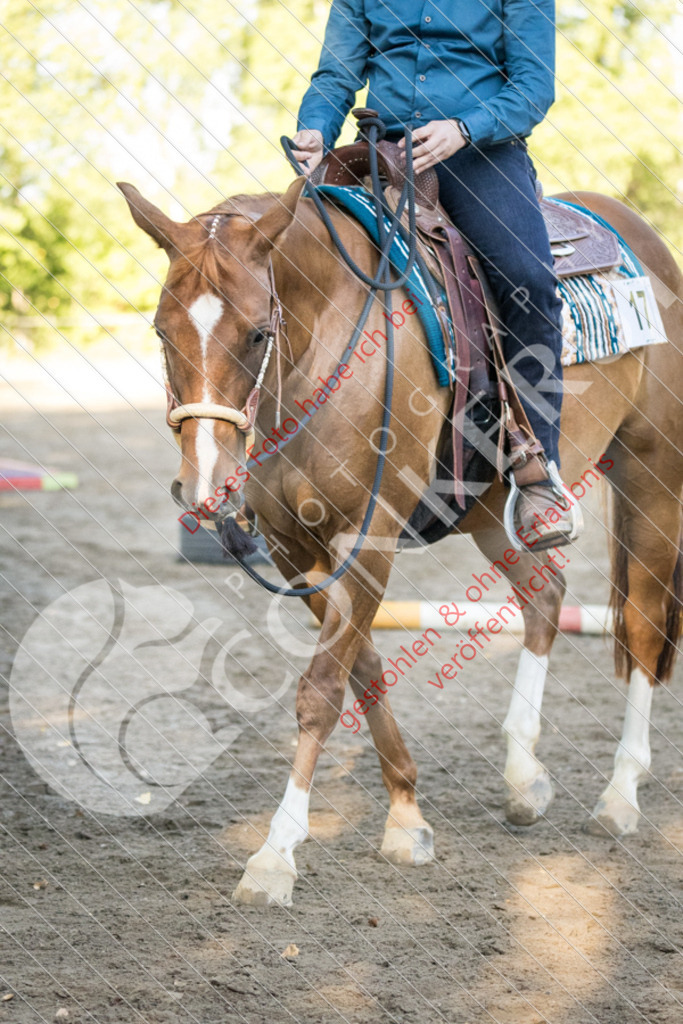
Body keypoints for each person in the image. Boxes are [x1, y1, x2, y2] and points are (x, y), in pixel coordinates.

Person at [291, 0, 576, 546]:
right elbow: (336, 74)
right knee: (283, 266)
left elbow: (534, 86)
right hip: (377, 152)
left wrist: (466, 129)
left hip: (479, 154)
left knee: (528, 279)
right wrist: (315, 129)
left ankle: (539, 469)